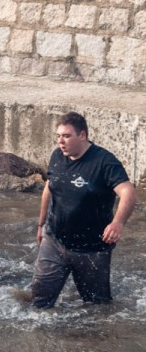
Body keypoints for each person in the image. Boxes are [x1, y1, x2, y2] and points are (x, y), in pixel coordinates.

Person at [30, 112, 136, 308]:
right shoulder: (57, 156)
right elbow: (49, 189)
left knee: (96, 309)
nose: (61, 141)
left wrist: (118, 222)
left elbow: (128, 192)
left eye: (67, 136)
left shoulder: (104, 162)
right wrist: (41, 224)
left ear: (82, 135)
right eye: (58, 136)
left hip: (92, 249)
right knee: (38, 303)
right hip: (54, 242)